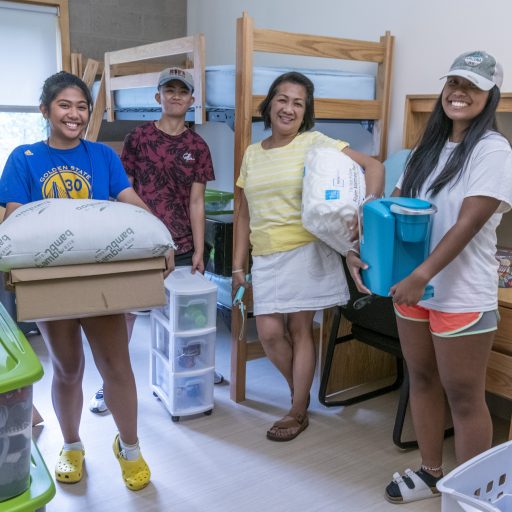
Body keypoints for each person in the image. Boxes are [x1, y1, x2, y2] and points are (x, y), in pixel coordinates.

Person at [347, 51, 512, 504]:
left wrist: (420, 275)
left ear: (489, 96)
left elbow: (467, 224)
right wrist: (361, 251)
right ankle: (431, 473)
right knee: (419, 379)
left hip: (460, 294)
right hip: (412, 289)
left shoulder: (493, 150)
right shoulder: (428, 146)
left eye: (472, 86)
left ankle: (473, 492)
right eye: (453, 83)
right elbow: (391, 211)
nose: (459, 93)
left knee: (464, 396)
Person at [0, 71, 171, 490]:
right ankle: (72, 446)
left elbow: (129, 202)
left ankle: (129, 448)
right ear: (45, 110)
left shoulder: (102, 156)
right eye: (64, 105)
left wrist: (160, 238)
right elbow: (16, 217)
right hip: (50, 280)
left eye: (81, 107)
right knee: (68, 368)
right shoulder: (23, 158)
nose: (74, 114)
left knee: (116, 366)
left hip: (99, 274)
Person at [232, 71, 384, 442]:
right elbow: (243, 213)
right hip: (266, 255)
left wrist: (367, 207)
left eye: (298, 103)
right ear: (269, 105)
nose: (288, 108)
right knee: (268, 333)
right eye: (282, 99)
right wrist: (238, 264)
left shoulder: (315, 143)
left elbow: (375, 166)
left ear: (305, 112)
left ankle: (298, 409)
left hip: (305, 249)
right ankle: (297, 393)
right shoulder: (252, 153)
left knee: (300, 330)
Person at [89, 66, 224, 415]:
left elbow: (197, 202)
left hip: (180, 243)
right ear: (158, 97)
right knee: (129, 316)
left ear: (192, 100)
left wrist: (198, 249)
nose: (176, 96)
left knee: (186, 314)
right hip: (142, 242)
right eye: (169, 90)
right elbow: (124, 191)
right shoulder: (138, 139)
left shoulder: (198, 146)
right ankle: (110, 386)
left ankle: (195, 368)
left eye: (183, 91)